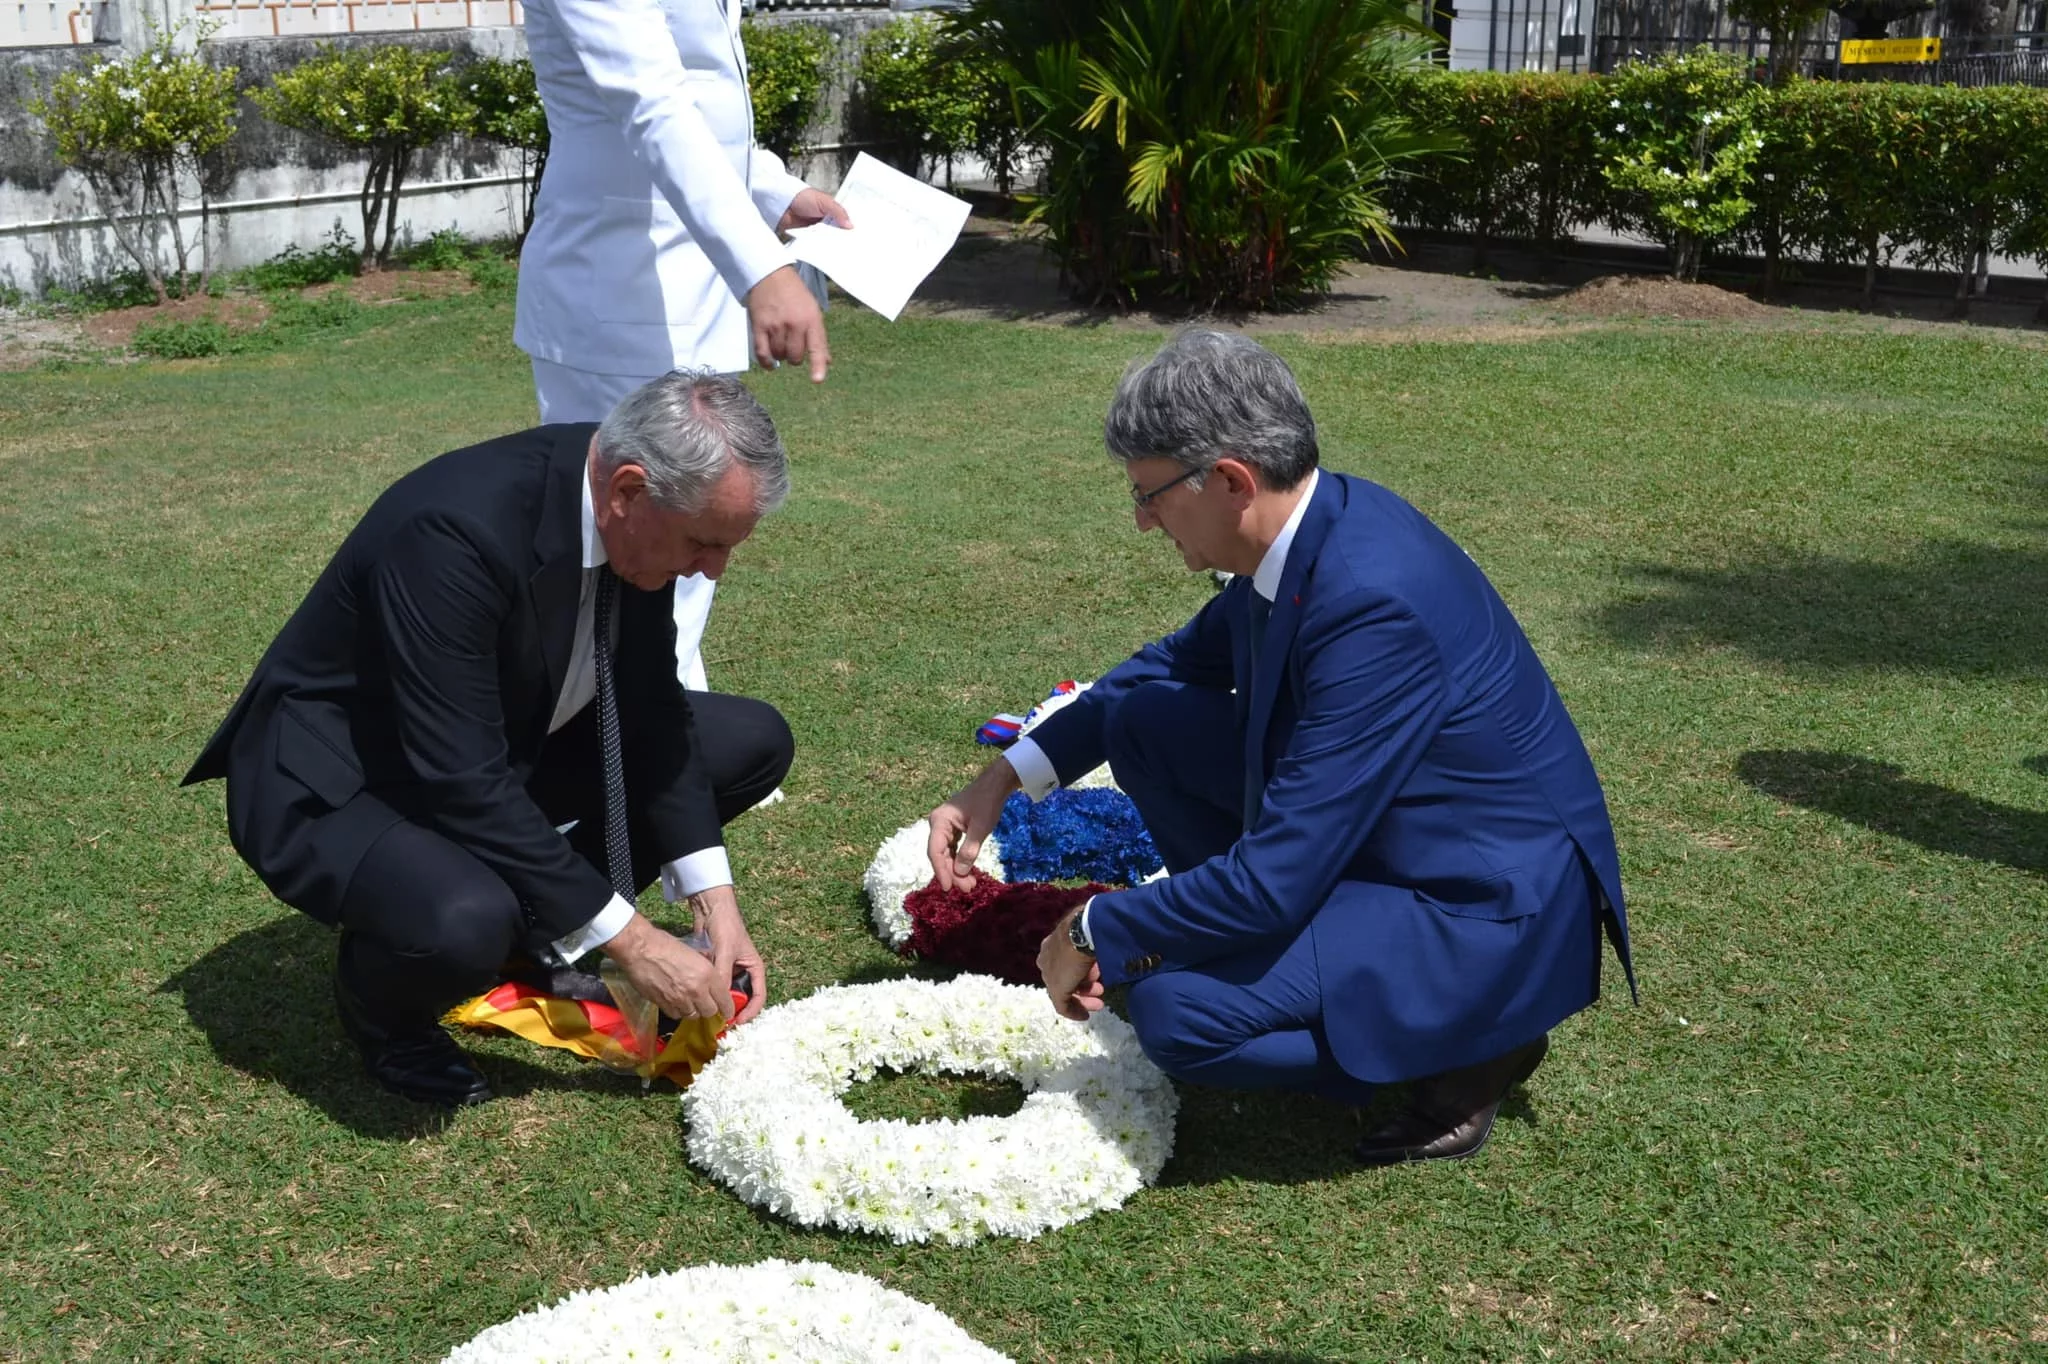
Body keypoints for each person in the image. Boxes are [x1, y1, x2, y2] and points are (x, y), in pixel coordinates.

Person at [927, 331, 1635, 1166]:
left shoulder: (1373, 605)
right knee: (1144, 719)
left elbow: (1276, 878)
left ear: (1230, 481)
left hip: (1470, 903)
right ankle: (1260, 956)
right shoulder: (1318, 523)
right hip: (1385, 842)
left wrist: (1093, 927)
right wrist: (1003, 777)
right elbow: (1168, 666)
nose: (1141, 521)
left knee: (1176, 1015)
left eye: (1149, 495)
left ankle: (1473, 1043)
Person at [183, 373, 795, 1107]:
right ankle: (386, 1012)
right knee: (465, 919)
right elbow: (463, 780)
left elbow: (653, 711)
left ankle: (537, 932)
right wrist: (631, 941)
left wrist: (713, 905)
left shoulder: (638, 505)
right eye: (704, 542)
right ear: (627, 490)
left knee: (748, 740)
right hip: (341, 777)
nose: (714, 568)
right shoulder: (454, 530)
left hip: (498, 739)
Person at [516, 0, 849, 695]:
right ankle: (603, 753)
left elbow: (704, 105)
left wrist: (774, 193)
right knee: (622, 549)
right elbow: (649, 103)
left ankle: (666, 734)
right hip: (614, 304)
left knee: (690, 551)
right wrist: (762, 267)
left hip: (690, 300)